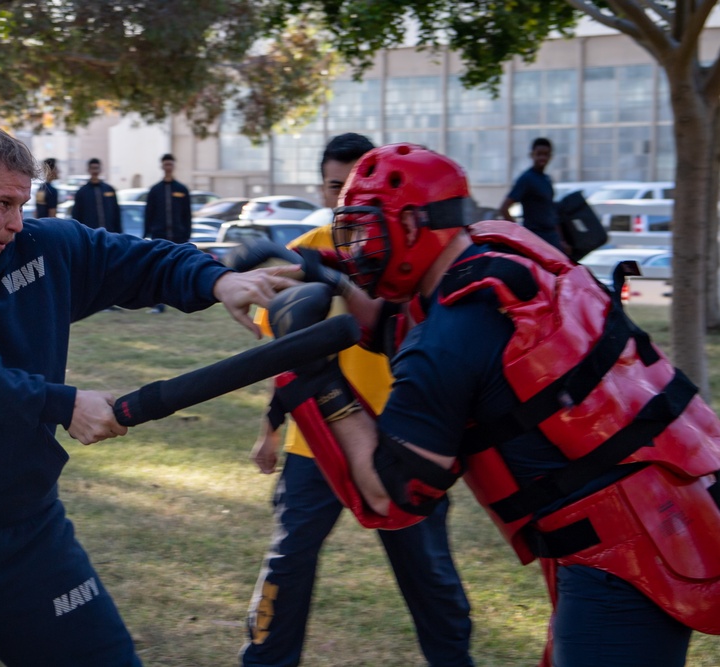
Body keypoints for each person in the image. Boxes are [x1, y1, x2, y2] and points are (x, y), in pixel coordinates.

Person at [0, 125, 299, 666]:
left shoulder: (39, 249)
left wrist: (217, 282)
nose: (15, 223)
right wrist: (63, 404)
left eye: (22, 204)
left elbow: (141, 261)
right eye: (1, 204)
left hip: (30, 542)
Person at [284, 142, 720, 666]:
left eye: (367, 234)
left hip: (630, 553)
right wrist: (326, 274)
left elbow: (391, 492)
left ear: (413, 227)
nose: (357, 252)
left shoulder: (448, 336)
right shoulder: (500, 261)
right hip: (676, 497)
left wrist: (315, 378)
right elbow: (398, 327)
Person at [239, 134, 474, 667]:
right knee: (287, 563)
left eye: (353, 189)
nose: (344, 202)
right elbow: (284, 349)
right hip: (314, 444)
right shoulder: (308, 249)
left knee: (430, 576)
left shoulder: (417, 254)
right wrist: (270, 427)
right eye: (334, 189)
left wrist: (342, 280)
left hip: (402, 436)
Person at [144, 153, 193, 313]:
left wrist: (186, 234)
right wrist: (147, 234)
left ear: (173, 166)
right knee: (159, 270)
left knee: (180, 269)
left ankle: (183, 301)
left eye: (170, 164)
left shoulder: (181, 189)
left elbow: (187, 214)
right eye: (165, 164)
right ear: (162, 166)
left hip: (179, 236)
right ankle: (158, 304)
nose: (168, 167)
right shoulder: (155, 190)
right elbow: (148, 214)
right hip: (160, 236)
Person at [498, 137, 566, 252]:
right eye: (539, 154)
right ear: (532, 155)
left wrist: (561, 240)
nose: (542, 158)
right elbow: (504, 208)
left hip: (552, 239)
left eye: (546, 154)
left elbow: (551, 212)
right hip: (536, 239)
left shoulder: (547, 179)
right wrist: (520, 235)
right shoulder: (526, 179)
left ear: (550, 157)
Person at [71, 157, 121, 233]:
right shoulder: (82, 192)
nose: (95, 171)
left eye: (97, 168)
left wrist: (119, 233)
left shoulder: (109, 189)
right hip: (90, 234)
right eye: (92, 168)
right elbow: (76, 215)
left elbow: (116, 212)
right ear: (88, 170)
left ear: (100, 169)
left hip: (109, 233)